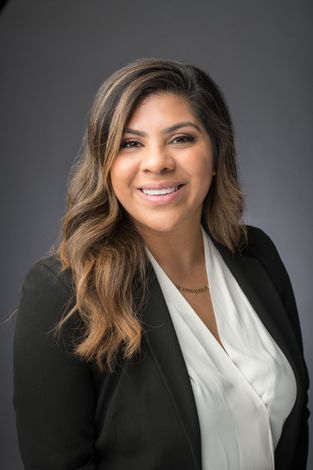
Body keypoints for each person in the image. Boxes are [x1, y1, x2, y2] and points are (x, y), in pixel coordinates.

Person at [13, 58, 310, 470]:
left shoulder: (256, 254)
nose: (157, 163)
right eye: (130, 143)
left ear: (216, 150)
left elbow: (295, 421)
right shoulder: (62, 293)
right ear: (105, 163)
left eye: (181, 138)